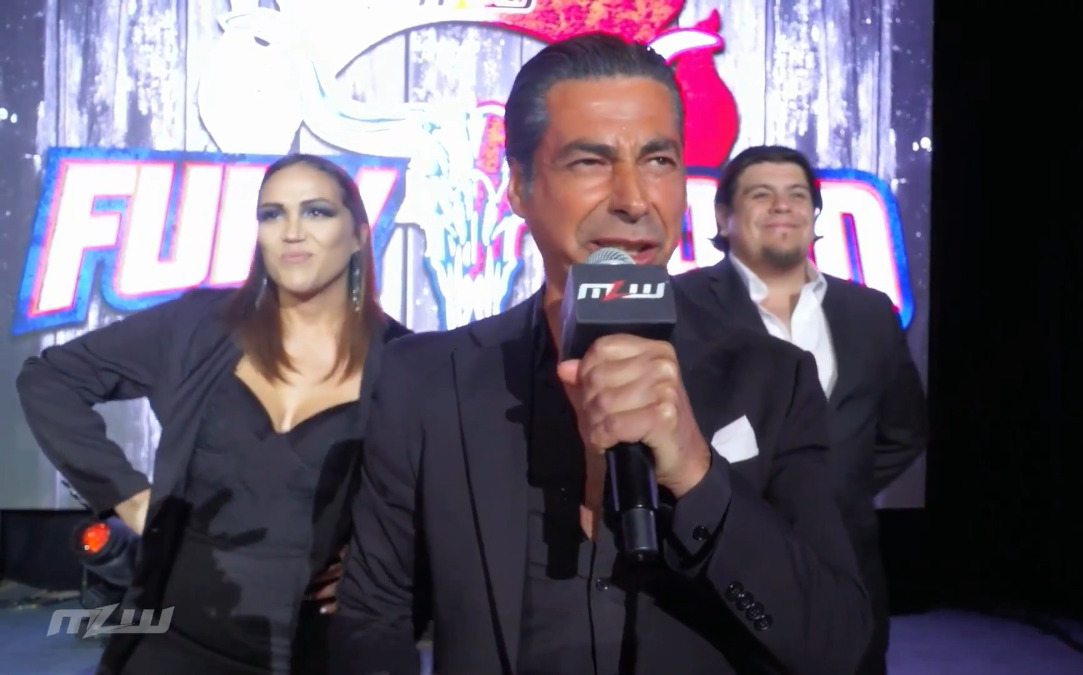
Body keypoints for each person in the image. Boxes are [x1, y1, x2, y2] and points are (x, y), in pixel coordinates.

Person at [330, 33, 873, 675]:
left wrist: (697, 475)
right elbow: (374, 622)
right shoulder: (426, 381)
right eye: (590, 161)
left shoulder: (773, 379)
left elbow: (836, 645)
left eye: (658, 160)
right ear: (519, 187)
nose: (634, 199)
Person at [15, 153, 412, 674]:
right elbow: (49, 379)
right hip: (171, 640)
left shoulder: (408, 364)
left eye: (316, 212)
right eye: (272, 214)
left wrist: (379, 566)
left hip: (312, 651)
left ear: (359, 234)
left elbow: (447, 506)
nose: (292, 231)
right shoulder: (200, 327)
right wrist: (128, 497)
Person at [672, 145, 929, 675]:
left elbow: (904, 430)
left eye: (796, 195)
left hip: (846, 568)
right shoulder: (681, 304)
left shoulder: (870, 311)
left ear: (814, 215)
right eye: (761, 195)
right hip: (717, 569)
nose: (782, 206)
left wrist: (833, 488)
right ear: (723, 217)